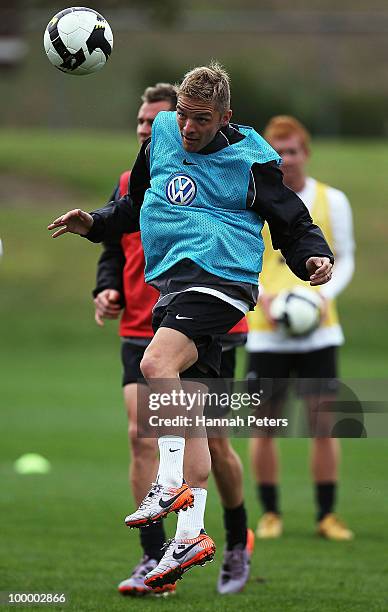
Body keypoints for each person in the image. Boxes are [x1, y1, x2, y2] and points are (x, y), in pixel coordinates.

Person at [48, 62, 334, 589]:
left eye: (201, 119)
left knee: (157, 364)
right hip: (176, 284)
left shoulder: (251, 158)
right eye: (183, 117)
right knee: (196, 416)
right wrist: (94, 223)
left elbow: (291, 219)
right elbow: (135, 204)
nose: (188, 129)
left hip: (222, 279)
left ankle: (170, 480)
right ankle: (192, 535)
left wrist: (313, 256)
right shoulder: (162, 137)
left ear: (226, 116)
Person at [94, 82, 254, 596]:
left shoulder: (217, 167)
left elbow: (252, 215)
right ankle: (161, 554)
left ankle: (232, 538)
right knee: (145, 435)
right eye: (142, 122)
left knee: (212, 442)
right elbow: (114, 245)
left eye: (154, 122)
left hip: (209, 311)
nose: (149, 130)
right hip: (145, 321)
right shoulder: (135, 177)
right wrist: (106, 288)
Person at [246, 115, 355, 541]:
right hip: (267, 330)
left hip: (319, 330)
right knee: (264, 425)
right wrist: (262, 296)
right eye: (279, 153)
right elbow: (239, 254)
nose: (287, 159)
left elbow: (345, 257)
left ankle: (327, 515)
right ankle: (271, 513)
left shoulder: (333, 200)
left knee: (322, 425)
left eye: (292, 151)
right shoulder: (254, 199)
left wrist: (323, 296)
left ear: (305, 153)